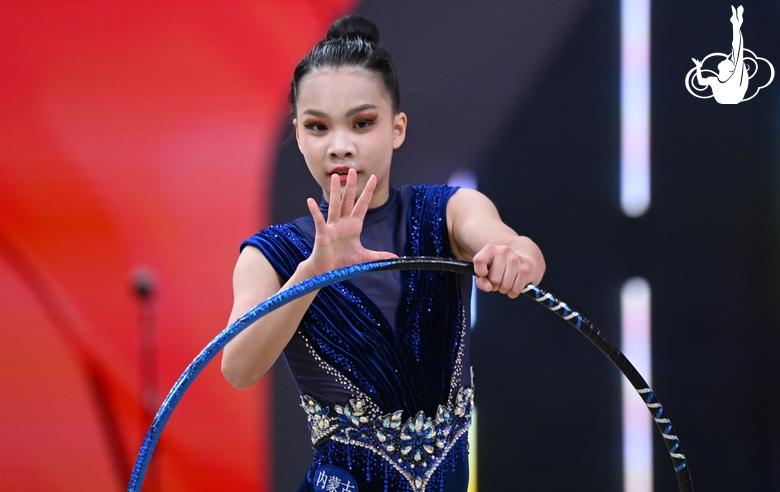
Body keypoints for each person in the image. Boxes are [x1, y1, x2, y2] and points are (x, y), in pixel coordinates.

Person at [221, 15, 545, 492]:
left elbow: (516, 246)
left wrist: (515, 258)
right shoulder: (271, 256)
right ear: (299, 135)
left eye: (362, 123)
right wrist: (314, 273)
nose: (340, 146)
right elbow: (237, 368)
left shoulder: (448, 213)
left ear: (397, 128)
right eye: (317, 127)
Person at [692, 5, 748, 104]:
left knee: (737, 51)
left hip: (732, 96)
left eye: (727, 61)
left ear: (729, 69)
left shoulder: (721, 79)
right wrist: (698, 67)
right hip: (731, 97)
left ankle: (736, 23)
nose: (725, 59)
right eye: (728, 61)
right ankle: (736, 24)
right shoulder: (716, 80)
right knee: (737, 52)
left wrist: (698, 67)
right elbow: (701, 82)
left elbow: (701, 82)